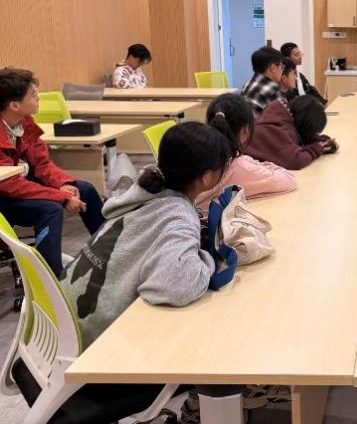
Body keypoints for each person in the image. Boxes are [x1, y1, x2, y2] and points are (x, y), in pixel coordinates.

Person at [60, 122, 231, 347]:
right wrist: (207, 260)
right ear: (207, 177)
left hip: (61, 312)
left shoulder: (147, 188)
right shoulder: (178, 216)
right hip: (91, 339)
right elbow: (172, 287)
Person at [0, 68, 104, 277]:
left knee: (85, 189)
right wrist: (60, 196)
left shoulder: (24, 121)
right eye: (34, 95)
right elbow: (8, 184)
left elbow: (42, 163)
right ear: (14, 105)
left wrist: (62, 184)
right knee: (51, 209)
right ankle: (52, 278)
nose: (39, 98)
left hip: (19, 184)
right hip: (4, 195)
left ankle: (109, 255)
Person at [195, 93, 297, 216]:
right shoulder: (239, 167)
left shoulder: (195, 150)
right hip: (206, 226)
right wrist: (263, 164)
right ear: (245, 130)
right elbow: (289, 181)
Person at [246, 95, 338, 170]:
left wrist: (322, 141)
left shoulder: (282, 112)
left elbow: (301, 139)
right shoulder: (278, 130)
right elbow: (296, 161)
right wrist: (318, 149)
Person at [241, 47, 283, 115]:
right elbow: (285, 118)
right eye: (281, 67)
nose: (282, 70)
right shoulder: (273, 89)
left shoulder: (247, 85)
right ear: (273, 68)